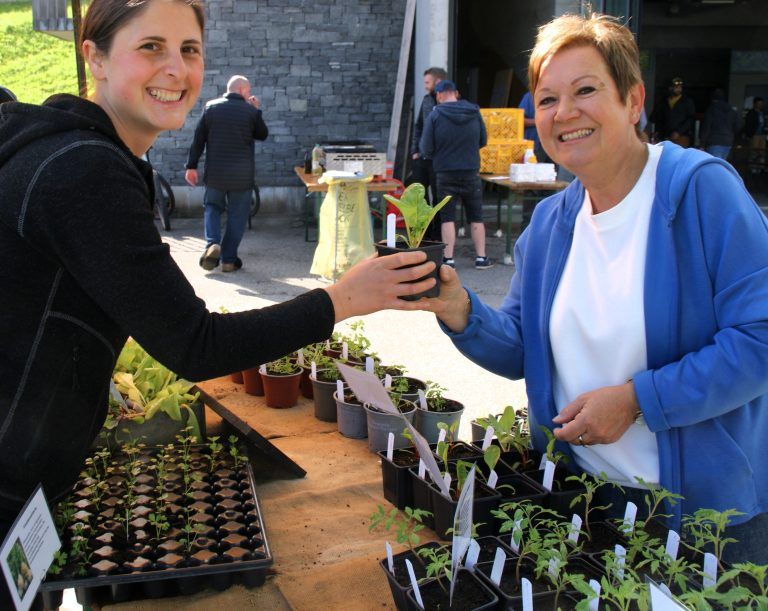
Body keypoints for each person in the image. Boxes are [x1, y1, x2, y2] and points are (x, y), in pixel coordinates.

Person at [0, 0, 436, 592]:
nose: (175, 68)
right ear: (94, 57)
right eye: (150, 47)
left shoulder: (71, 152)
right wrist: (342, 299)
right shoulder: (83, 171)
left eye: (189, 49)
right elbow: (195, 345)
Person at [422, 13, 768, 564]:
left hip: (702, 520)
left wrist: (636, 401)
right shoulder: (552, 222)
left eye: (586, 90)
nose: (565, 113)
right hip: (584, 503)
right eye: (547, 98)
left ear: (633, 101)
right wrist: (459, 308)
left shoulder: (700, 192)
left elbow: (759, 341)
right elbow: (523, 349)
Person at [185, 75, 267, 272]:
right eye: (248, 91)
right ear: (241, 90)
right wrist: (257, 110)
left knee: (212, 207)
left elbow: (199, 139)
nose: (249, 94)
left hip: (216, 174)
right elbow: (262, 134)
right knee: (237, 216)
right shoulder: (250, 111)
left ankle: (212, 243)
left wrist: (191, 166)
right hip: (242, 176)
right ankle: (229, 260)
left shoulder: (211, 108)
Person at [420, 80, 493, 270]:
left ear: (439, 95)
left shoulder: (436, 114)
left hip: (445, 173)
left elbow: (426, 147)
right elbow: (483, 140)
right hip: (470, 171)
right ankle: (481, 258)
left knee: (447, 217)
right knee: (476, 216)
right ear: (456, 93)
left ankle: (449, 259)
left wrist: (437, 154)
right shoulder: (474, 112)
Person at [409, 66, 447, 241]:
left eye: (427, 82)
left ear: (438, 82)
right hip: (422, 158)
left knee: (438, 199)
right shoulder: (426, 100)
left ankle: (436, 235)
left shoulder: (448, 102)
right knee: (419, 197)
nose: (425, 86)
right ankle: (421, 233)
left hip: (439, 160)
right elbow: (418, 126)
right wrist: (414, 151)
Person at [651, 76, 696, 147]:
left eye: (680, 87)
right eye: (676, 87)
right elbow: (659, 118)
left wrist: (679, 132)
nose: (679, 89)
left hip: (681, 137)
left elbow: (691, 119)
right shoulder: (664, 101)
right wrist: (658, 132)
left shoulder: (687, 101)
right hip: (665, 137)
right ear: (670, 88)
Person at [700, 88, 738, 160]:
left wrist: (702, 144)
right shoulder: (731, 111)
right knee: (722, 165)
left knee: (714, 166)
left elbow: (707, 127)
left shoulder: (711, 109)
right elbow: (736, 128)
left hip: (714, 141)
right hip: (728, 142)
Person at [743, 97, 766, 170]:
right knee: (754, 151)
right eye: (759, 104)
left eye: (761, 104)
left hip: (763, 135)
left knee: (762, 151)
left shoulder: (763, 113)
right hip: (754, 135)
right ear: (755, 104)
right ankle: (753, 167)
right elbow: (748, 124)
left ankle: (760, 167)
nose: (760, 105)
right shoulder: (751, 113)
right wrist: (748, 134)